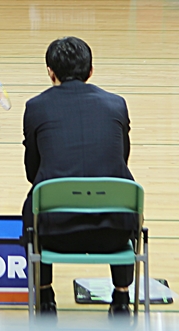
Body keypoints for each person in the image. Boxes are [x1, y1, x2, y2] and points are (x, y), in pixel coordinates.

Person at [21, 36, 138, 318]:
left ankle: (45, 296)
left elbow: (32, 172)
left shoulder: (36, 107)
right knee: (121, 191)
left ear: (51, 72)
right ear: (91, 70)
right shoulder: (116, 105)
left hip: (54, 234)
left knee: (33, 203)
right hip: (113, 233)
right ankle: (122, 297)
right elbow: (120, 160)